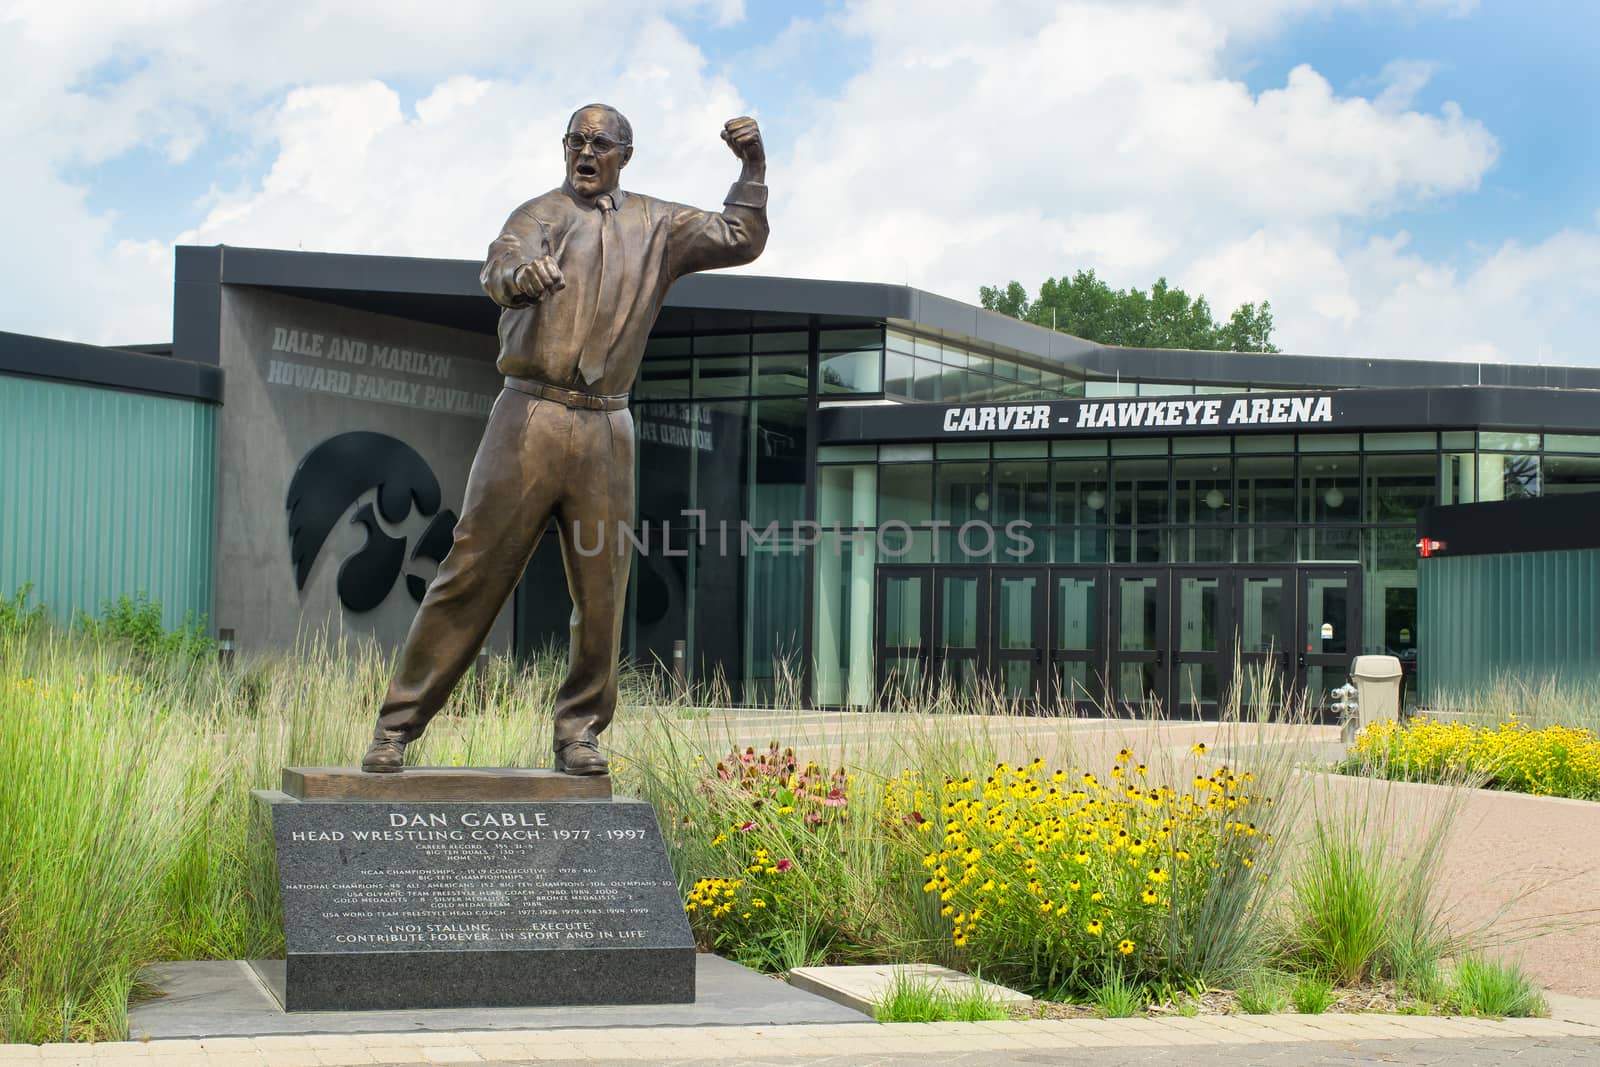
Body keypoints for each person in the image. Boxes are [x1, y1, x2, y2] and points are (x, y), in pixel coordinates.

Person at [361, 103, 768, 775]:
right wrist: (521, 280)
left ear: (623, 156)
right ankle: (396, 726)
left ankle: (580, 731)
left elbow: (740, 237)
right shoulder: (538, 215)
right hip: (530, 415)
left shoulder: (658, 224)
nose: (585, 150)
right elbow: (500, 267)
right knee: (473, 571)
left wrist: (752, 167)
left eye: (600, 142)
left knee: (603, 588)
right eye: (576, 140)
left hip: (607, 426)